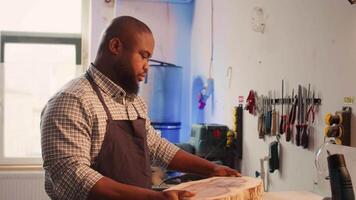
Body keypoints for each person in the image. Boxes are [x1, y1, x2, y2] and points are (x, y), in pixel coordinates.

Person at [40, 16, 240, 200]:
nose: (147, 66)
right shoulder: (72, 100)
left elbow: (155, 147)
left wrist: (211, 169)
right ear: (115, 46)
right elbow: (72, 176)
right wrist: (153, 198)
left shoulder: (133, 102)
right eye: (143, 56)